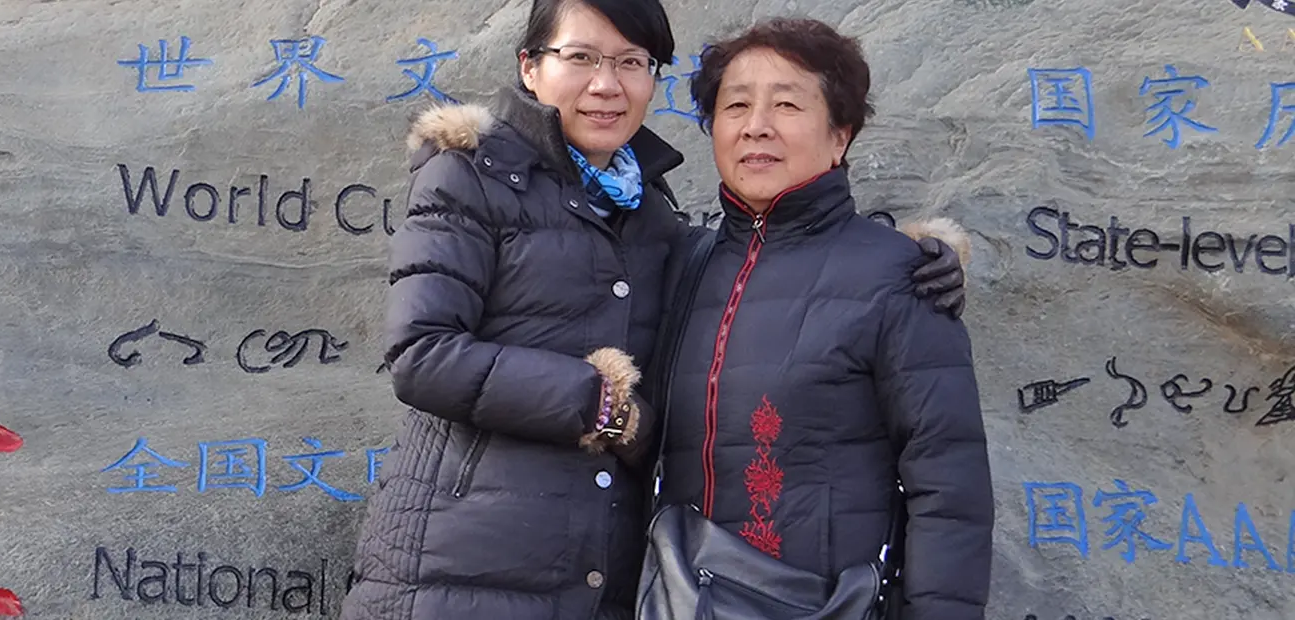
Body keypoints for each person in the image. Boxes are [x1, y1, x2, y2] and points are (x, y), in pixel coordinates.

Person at [338, 1, 972, 619]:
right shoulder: (478, 177)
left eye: (631, 62)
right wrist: (605, 406)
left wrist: (914, 255)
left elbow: (948, 484)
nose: (605, 84)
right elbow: (422, 352)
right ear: (530, 67)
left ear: (841, 136)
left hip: (629, 583)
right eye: (580, 57)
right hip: (463, 569)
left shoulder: (657, 224)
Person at [652, 17, 993, 619]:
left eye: (786, 104)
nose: (756, 125)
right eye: (736, 105)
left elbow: (949, 486)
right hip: (677, 600)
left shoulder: (898, 275)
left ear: (840, 136)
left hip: (823, 604)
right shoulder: (685, 264)